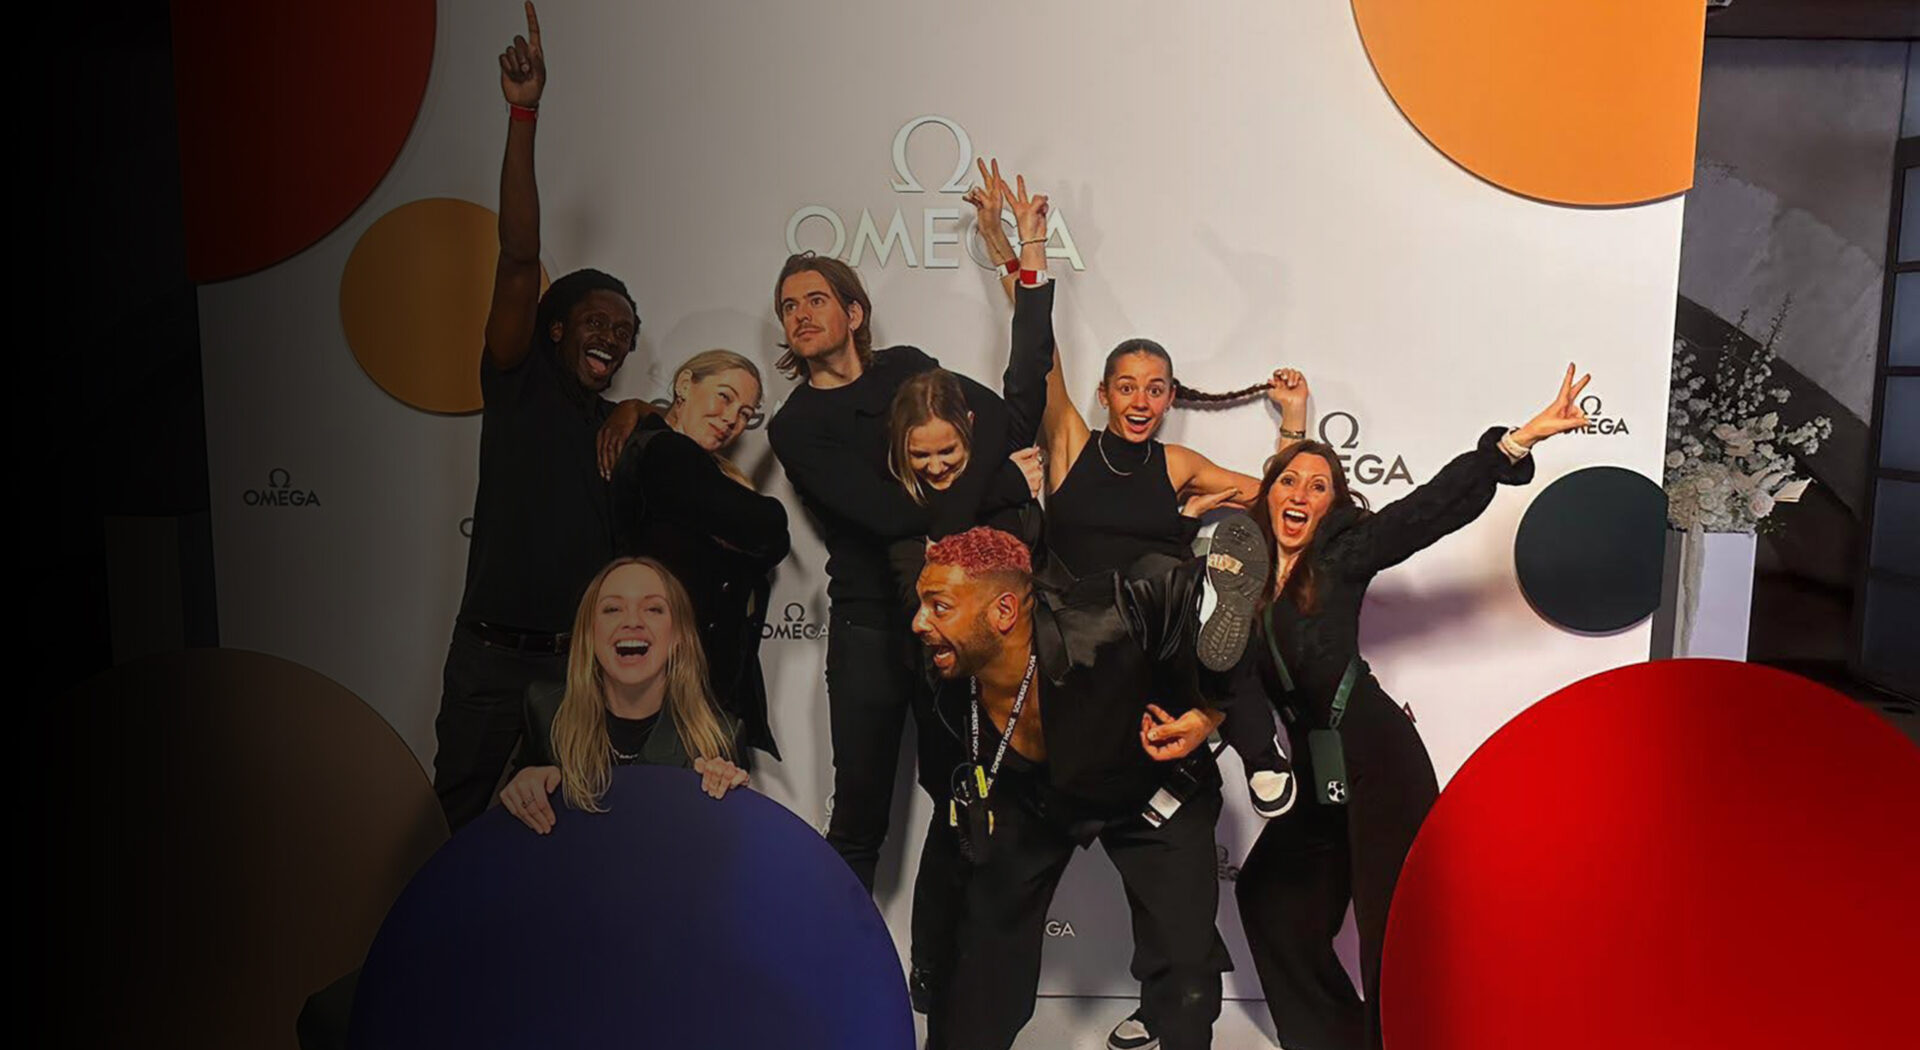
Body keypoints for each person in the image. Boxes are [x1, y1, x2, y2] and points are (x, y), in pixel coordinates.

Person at [1226, 366, 1591, 1050]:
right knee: (1271, 897)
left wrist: (1514, 443)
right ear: (1267, 494)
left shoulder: (1342, 557)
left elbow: (1427, 510)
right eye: (1289, 482)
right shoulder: (1240, 582)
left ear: (1333, 506)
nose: (1301, 493)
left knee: (1389, 923)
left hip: (1377, 756)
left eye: (1319, 487)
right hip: (1313, 772)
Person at [764, 252, 1032, 1010]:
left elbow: (999, 420)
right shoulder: (795, 425)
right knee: (858, 814)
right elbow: (887, 513)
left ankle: (935, 971)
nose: (801, 315)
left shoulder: (908, 368)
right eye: (788, 307)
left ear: (854, 312)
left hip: (951, 621)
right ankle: (825, 985)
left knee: (957, 798)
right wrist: (1004, 483)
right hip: (869, 625)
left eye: (816, 300)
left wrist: (972, 490)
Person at [909, 521, 1270, 1050]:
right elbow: (950, 807)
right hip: (1034, 797)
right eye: (922, 604)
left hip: (1149, 786)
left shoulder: (1100, 623)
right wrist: (930, 950)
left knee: (1183, 964)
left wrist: (1210, 711)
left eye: (939, 607)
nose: (919, 623)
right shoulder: (943, 669)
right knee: (982, 960)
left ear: (1004, 612)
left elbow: (1184, 592)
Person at [433, 3, 656, 831]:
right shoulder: (516, 382)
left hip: (575, 670)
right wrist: (523, 115)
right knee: (459, 830)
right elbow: (520, 255)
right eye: (598, 322)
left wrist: (642, 407)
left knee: (571, 839)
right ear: (555, 328)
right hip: (490, 658)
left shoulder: (621, 424)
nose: (613, 339)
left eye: (625, 333)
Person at [594, 349, 791, 762]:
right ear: (685, 385)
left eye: (745, 413)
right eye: (724, 396)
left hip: (688, 686)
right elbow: (769, 525)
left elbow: (771, 544)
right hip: (670, 686)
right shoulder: (667, 453)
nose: (731, 419)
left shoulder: (701, 467)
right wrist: (759, 522)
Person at [501, 557, 751, 834]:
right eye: (613, 609)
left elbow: (719, 848)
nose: (632, 622)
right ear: (589, 632)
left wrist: (728, 800)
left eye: (653, 609)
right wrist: (524, 786)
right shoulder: (546, 711)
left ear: (679, 634)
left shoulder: (720, 737)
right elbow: (516, 831)